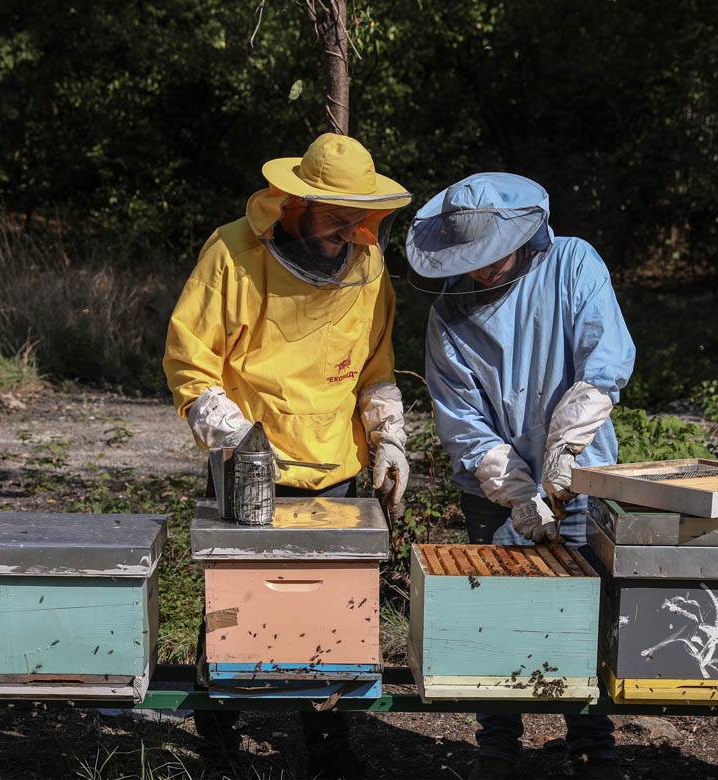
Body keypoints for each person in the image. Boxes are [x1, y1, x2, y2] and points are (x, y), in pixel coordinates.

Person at [163, 133, 412, 780]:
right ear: (294, 204)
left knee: (325, 615)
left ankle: (328, 750)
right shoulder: (232, 254)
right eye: (334, 218)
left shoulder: (368, 266)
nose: (346, 233)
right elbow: (192, 369)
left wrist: (388, 438)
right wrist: (241, 443)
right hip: (251, 468)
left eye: (358, 218)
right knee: (234, 606)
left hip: (335, 466)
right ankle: (218, 744)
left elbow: (375, 367)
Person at [406, 172, 635, 780]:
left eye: (491, 255)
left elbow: (604, 362)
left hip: (583, 475)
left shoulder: (574, 263)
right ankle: (496, 748)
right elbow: (463, 422)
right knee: (497, 617)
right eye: (471, 260)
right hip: (492, 487)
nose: (483, 271)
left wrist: (567, 451)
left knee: (582, 618)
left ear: (521, 232)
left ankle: (592, 748)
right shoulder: (447, 317)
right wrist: (517, 492)